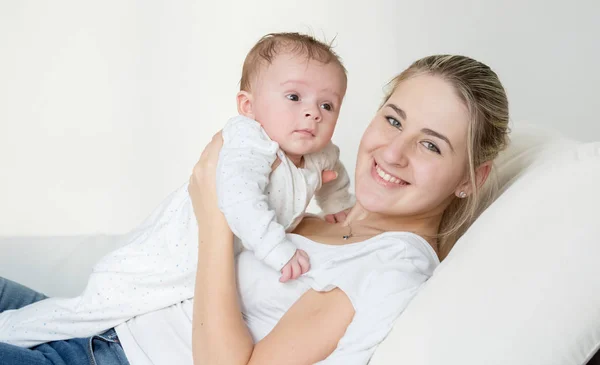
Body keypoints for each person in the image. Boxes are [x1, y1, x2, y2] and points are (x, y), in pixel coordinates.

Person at [0, 54, 510, 365]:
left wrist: (215, 218)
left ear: (471, 178)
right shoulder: (330, 204)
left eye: (432, 146)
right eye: (394, 121)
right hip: (96, 319)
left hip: (106, 357)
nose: (393, 153)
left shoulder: (388, 267)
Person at [217, 33, 354, 282]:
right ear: (248, 106)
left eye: (327, 105)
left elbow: (335, 174)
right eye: (294, 97)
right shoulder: (251, 143)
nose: (313, 113)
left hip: (233, 254)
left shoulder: (321, 152)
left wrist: (337, 203)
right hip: (189, 242)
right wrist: (275, 248)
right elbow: (241, 200)